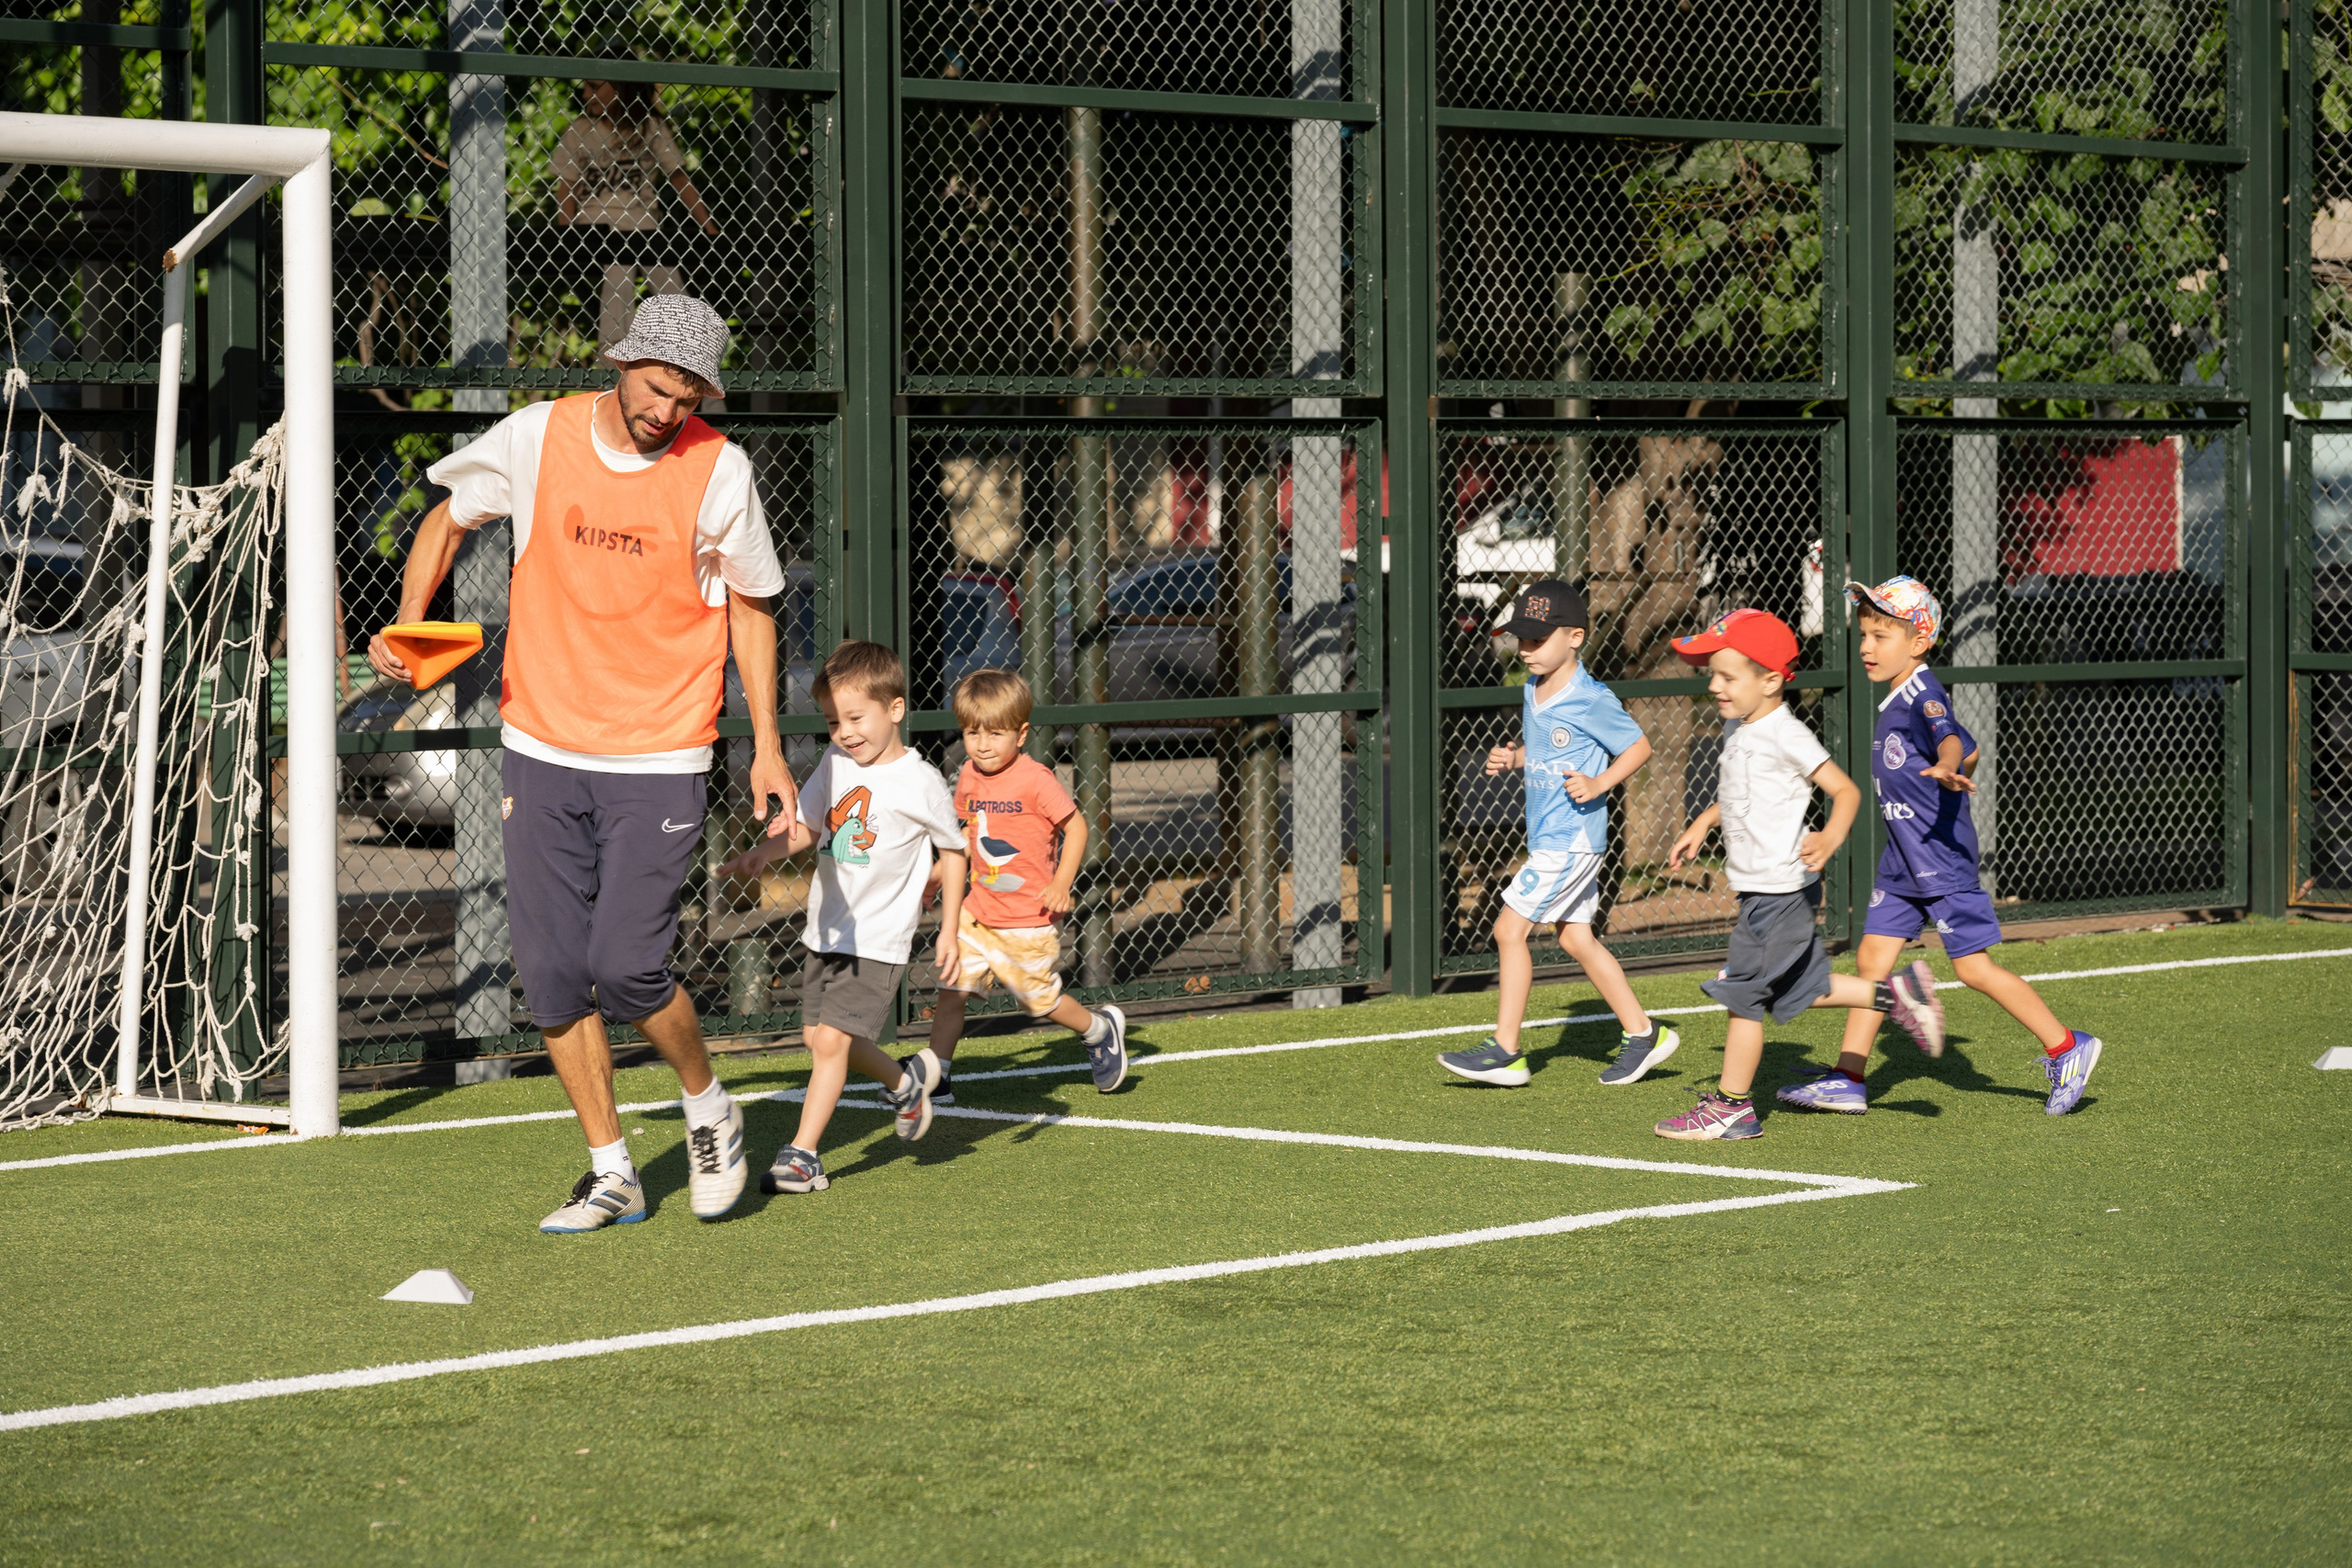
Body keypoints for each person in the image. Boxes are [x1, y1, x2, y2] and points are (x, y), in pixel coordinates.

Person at [365, 294, 791, 1233]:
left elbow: (752, 605)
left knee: (628, 968)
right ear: (621, 363)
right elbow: (448, 517)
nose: (667, 410)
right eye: (656, 387)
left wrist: (766, 746)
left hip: (662, 750)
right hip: (542, 747)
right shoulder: (537, 434)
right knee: (555, 973)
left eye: (687, 397)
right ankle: (611, 1171)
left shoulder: (720, 468)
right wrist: (408, 617)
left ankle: (707, 1105)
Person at [1775, 578, 2106, 1118]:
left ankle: (2067, 1046)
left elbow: (1951, 738)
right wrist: (1956, 764)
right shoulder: (1899, 695)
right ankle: (1848, 1078)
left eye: (1881, 636)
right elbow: (1967, 746)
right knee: (1872, 960)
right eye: (1864, 635)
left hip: (1939, 860)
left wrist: (1947, 765)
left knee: (1973, 969)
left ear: (1920, 642)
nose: (1866, 647)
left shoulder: (1922, 694)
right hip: (1902, 859)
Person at [1655, 609, 1941, 1141]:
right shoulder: (1740, 726)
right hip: (1760, 890)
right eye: (1713, 675)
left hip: (1781, 890)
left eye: (1727, 676)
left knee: (1745, 996)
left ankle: (1732, 1107)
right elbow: (1740, 792)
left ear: (1769, 681)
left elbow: (1846, 791)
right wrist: (1702, 822)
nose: (1714, 686)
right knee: (1792, 988)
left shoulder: (1786, 734)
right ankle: (1893, 994)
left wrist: (1829, 838)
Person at [716, 641, 965, 1192]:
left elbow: (953, 851)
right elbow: (806, 826)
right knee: (819, 1038)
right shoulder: (834, 763)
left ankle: (803, 1157)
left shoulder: (920, 781)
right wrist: (764, 853)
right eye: (833, 722)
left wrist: (948, 929)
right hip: (826, 930)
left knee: (831, 1041)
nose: (845, 732)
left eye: (856, 718)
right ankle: (905, 1084)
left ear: (895, 709)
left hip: (878, 938)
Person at [1439, 580, 1675, 1089]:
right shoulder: (1532, 688)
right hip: (1550, 837)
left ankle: (1506, 1051)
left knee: (1508, 931)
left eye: (1537, 639)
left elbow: (1638, 747)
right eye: (1521, 639)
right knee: (1575, 938)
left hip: (1570, 839)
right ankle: (1644, 1034)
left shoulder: (1590, 699)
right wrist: (1514, 759)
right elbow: (1546, 751)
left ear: (1575, 637)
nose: (1525, 649)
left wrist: (1600, 783)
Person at [906, 670, 1128, 1109]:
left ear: (1021, 734)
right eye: (972, 733)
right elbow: (967, 834)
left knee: (1039, 1003)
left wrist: (1062, 882)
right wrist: (939, 872)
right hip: (976, 913)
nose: (983, 744)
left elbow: (1076, 828)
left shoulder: (1036, 779)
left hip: (1028, 918)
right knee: (952, 993)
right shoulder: (968, 776)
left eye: (995, 733)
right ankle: (939, 1077)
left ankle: (1099, 1029)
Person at [552, 78, 723, 351]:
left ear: (620, 88)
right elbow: (567, 189)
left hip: (641, 220)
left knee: (668, 279)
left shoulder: (649, 127)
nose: (585, 95)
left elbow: (679, 177)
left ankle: (688, 351)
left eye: (594, 87)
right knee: (618, 272)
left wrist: (709, 227)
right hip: (596, 221)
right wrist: (567, 235)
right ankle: (612, 355)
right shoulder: (581, 129)